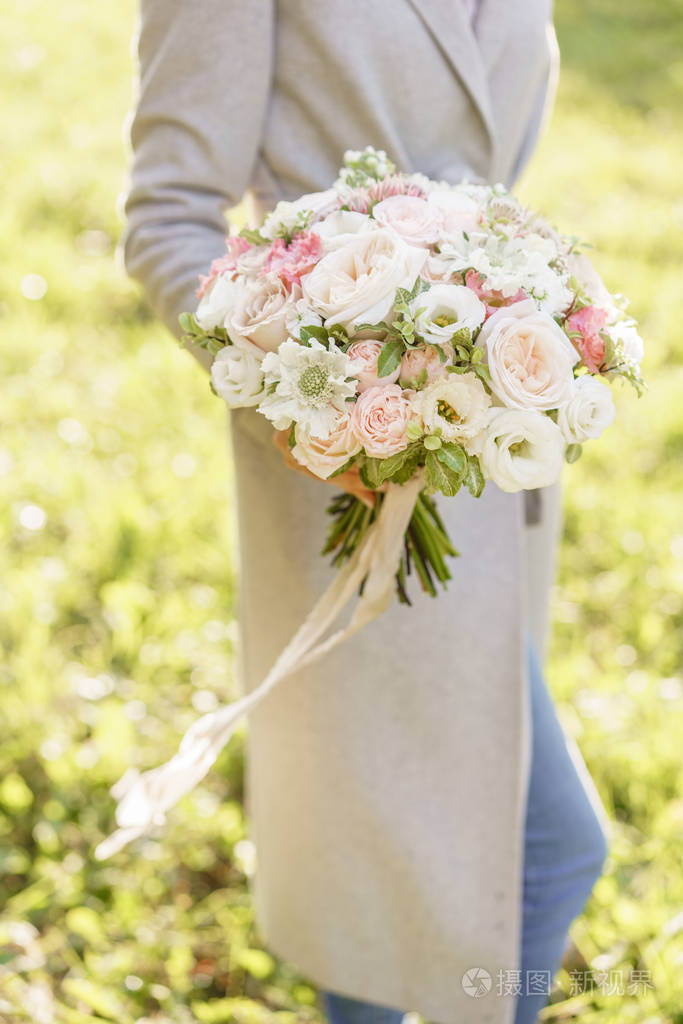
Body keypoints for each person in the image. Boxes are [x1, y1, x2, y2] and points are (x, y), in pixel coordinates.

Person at [121, 3, 611, 1022]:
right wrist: (313, 407)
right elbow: (167, 217)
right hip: (338, 474)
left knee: (429, 852)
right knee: (520, 854)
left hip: (489, 450)